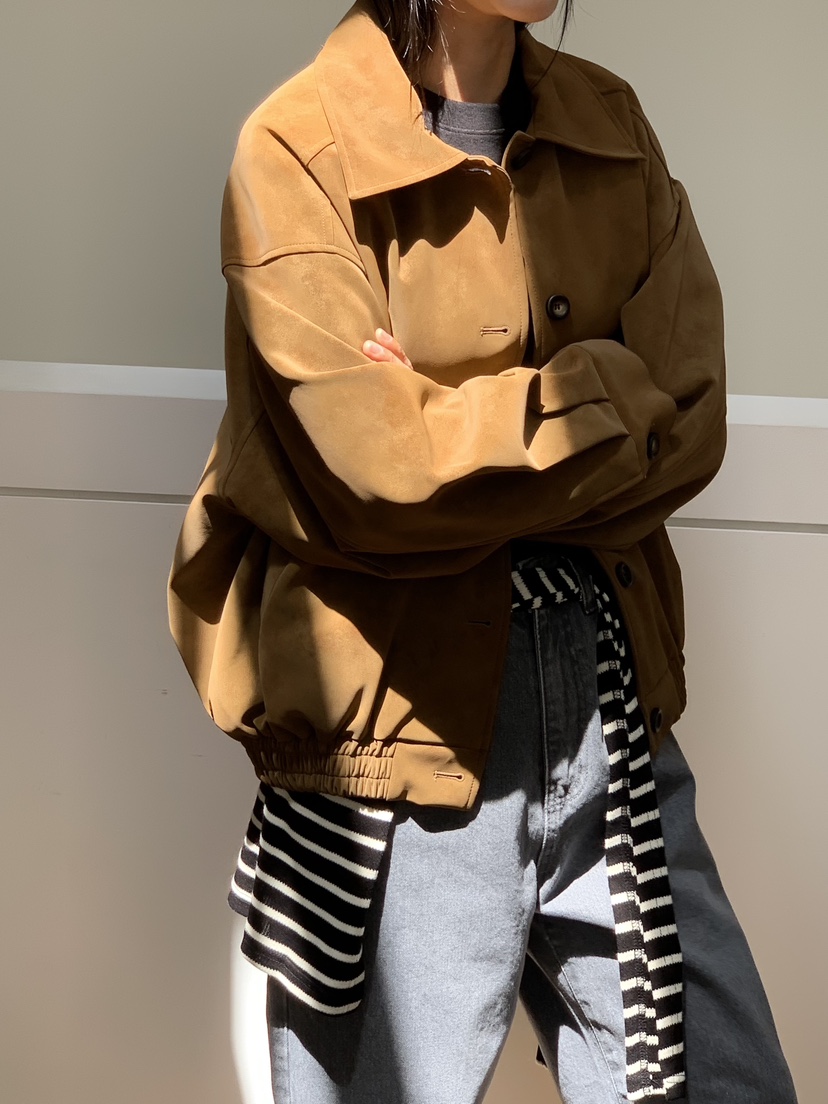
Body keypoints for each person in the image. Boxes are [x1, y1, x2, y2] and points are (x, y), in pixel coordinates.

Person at [167, 1, 799, 1101]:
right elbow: (377, 475)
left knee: (728, 1079)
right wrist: (604, 390)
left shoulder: (608, 121)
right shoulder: (298, 145)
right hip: (395, 740)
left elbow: (691, 418)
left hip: (610, 707)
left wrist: (438, 411)